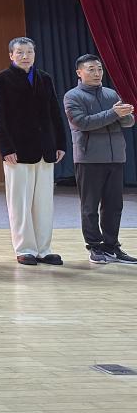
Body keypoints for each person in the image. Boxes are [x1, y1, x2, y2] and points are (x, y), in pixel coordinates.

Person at [0, 37, 67, 266]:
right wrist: (6, 148)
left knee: (44, 203)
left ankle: (44, 249)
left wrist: (60, 143)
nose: (25, 56)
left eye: (29, 51)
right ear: (11, 55)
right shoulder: (1, 80)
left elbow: (54, 112)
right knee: (20, 203)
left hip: (45, 148)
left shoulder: (45, 78)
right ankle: (25, 248)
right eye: (20, 52)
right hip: (17, 151)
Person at [63, 54, 136, 264]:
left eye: (99, 69)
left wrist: (126, 114)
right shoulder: (72, 96)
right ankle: (94, 246)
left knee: (114, 206)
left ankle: (111, 246)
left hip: (115, 157)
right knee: (90, 206)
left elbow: (128, 123)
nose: (97, 73)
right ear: (79, 73)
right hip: (89, 159)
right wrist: (114, 114)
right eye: (91, 69)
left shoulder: (111, 94)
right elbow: (83, 123)